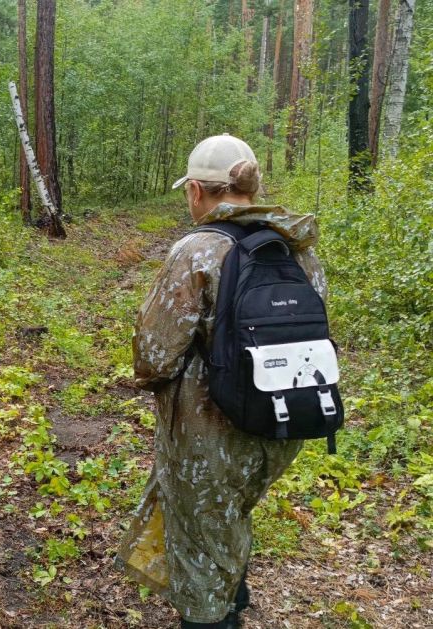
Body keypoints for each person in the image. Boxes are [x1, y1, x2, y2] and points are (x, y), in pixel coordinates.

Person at [115, 135, 327, 628]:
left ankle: (215, 615)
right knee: (229, 514)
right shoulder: (297, 248)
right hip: (283, 422)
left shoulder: (197, 251)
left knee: (200, 540)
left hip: (210, 431)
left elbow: (153, 355)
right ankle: (233, 593)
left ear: (196, 191)